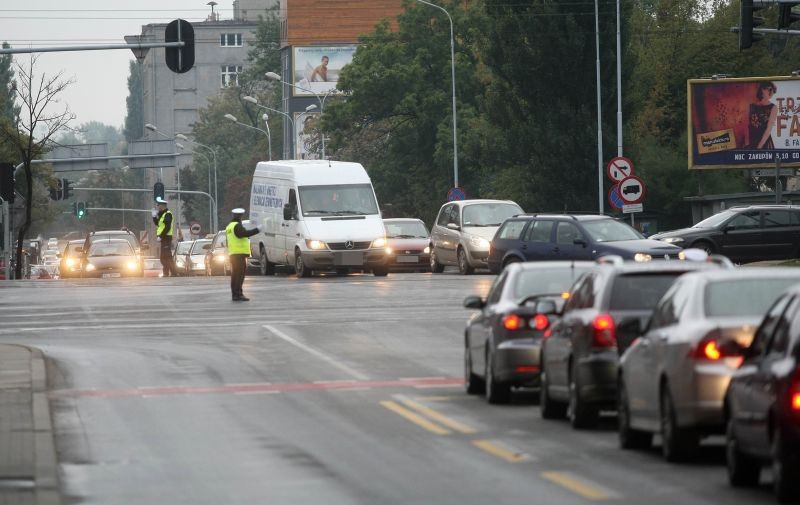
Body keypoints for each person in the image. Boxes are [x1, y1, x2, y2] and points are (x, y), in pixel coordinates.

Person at [226, 208, 260, 301]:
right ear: (240, 216)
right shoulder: (237, 225)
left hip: (233, 253)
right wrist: (257, 230)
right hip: (239, 254)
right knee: (239, 275)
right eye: (241, 216)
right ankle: (238, 294)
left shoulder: (229, 226)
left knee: (235, 275)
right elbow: (243, 234)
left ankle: (235, 294)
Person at [744, 81, 778, 150]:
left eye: (772, 90)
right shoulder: (751, 106)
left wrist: (759, 147)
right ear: (762, 90)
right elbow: (746, 126)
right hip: (751, 141)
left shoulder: (773, 108)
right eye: (769, 89)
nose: (771, 92)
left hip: (764, 143)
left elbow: (768, 130)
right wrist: (747, 143)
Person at [152, 197, 178, 277]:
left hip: (166, 237)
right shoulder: (162, 214)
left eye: (158, 205)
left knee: (167, 256)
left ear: (163, 205)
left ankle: (173, 273)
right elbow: (158, 224)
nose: (158, 206)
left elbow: (167, 227)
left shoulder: (168, 214)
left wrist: (161, 236)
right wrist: (154, 217)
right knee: (164, 257)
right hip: (164, 238)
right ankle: (166, 273)